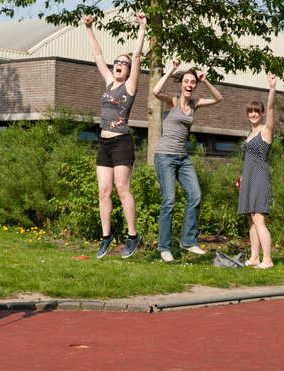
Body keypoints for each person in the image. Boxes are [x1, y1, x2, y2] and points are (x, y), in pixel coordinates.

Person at [84, 13, 146, 259]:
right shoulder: (109, 82)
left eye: (124, 62)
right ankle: (106, 236)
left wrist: (142, 27)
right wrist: (89, 28)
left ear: (129, 69)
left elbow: (138, 55)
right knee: (103, 191)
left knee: (122, 190)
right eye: (117, 61)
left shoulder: (129, 86)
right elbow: (98, 56)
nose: (119, 64)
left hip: (121, 141)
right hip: (104, 142)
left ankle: (133, 236)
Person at [152, 60, 223, 262]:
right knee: (169, 201)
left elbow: (218, 98)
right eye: (186, 81)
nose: (190, 85)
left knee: (195, 196)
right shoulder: (172, 100)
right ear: (181, 84)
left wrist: (206, 80)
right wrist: (171, 70)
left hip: (183, 158)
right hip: (165, 156)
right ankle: (164, 247)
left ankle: (188, 240)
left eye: (193, 82)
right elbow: (156, 91)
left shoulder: (194, 103)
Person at [237, 73, 277, 269]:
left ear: (261, 113)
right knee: (251, 220)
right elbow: (247, 158)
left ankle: (267, 259)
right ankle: (254, 257)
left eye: (256, 111)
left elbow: (270, 107)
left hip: (260, 176)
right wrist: (243, 178)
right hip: (249, 178)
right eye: (250, 112)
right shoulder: (249, 133)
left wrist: (272, 87)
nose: (253, 114)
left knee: (259, 219)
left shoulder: (265, 130)